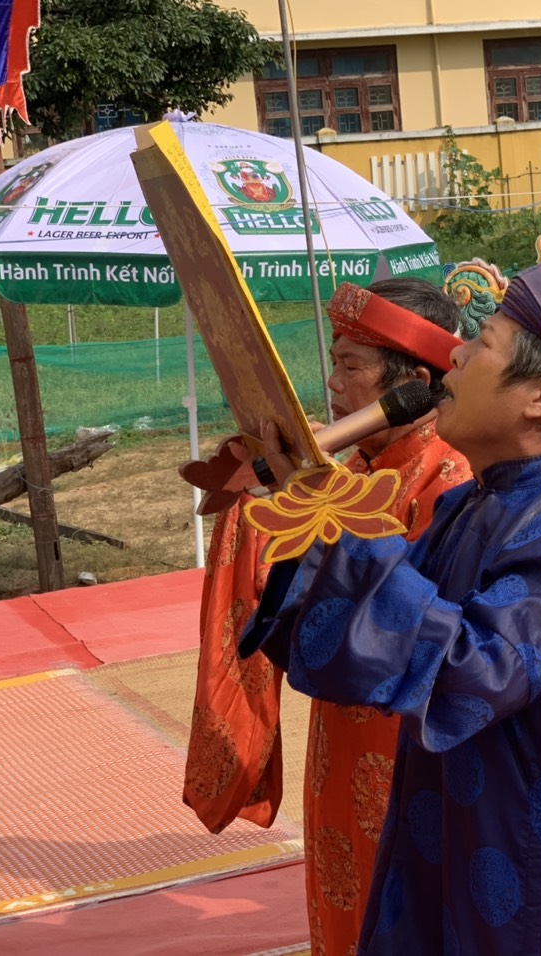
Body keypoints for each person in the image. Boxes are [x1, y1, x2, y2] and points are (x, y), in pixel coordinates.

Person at [238, 265, 541, 955]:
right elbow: (361, 631)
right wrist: (307, 498)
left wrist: (336, 529)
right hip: (456, 830)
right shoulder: (468, 507)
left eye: (486, 342)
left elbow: (474, 669)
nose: (457, 355)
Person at [181, 278, 472, 956]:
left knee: (406, 903)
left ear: (413, 382)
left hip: (409, 739)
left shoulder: (450, 473)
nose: (333, 383)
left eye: (351, 365)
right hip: (342, 727)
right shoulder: (365, 461)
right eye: (333, 361)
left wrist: (321, 501)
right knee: (346, 898)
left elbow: (421, 612)